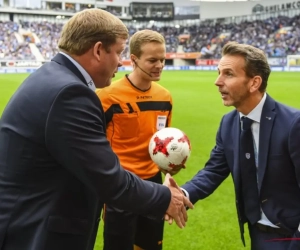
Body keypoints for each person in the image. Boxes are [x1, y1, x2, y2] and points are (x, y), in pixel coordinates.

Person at [0, 9, 193, 250]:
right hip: (37, 233)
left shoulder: (51, 78)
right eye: (120, 52)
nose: (121, 62)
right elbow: (108, 178)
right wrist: (166, 198)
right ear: (99, 50)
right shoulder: (71, 94)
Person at [168, 42, 300, 250]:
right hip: (259, 233)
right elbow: (213, 170)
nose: (217, 82)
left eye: (228, 74)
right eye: (219, 72)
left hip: (292, 233)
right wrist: (183, 194)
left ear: (254, 82)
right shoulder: (228, 124)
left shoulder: (293, 124)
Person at [96, 29, 181, 250]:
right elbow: (95, 147)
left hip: (153, 186)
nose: (160, 65)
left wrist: (170, 170)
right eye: (152, 60)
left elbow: (164, 144)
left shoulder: (165, 96)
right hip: (120, 186)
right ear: (133, 59)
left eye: (162, 59)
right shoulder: (106, 97)